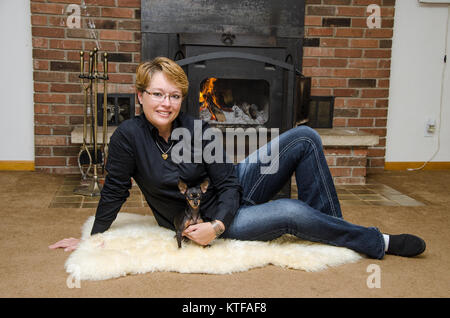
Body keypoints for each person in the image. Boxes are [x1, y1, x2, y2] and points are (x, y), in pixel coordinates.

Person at [49, 57, 426, 259]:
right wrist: (92, 236)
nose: (167, 103)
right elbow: (114, 190)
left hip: (228, 201)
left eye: (175, 96)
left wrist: (218, 226)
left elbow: (229, 183)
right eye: (158, 94)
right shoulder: (127, 138)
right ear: (140, 96)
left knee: (305, 137)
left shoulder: (199, 130)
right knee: (292, 213)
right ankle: (378, 242)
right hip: (201, 216)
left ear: (183, 99)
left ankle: (330, 231)